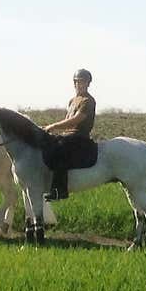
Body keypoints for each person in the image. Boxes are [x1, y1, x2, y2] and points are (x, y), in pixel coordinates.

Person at [39, 69, 99, 197]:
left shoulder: (88, 101)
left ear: (88, 83)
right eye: (77, 82)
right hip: (68, 135)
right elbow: (67, 120)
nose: (79, 84)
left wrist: (53, 126)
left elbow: (76, 120)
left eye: (83, 82)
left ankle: (59, 190)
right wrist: (48, 129)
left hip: (79, 137)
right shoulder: (73, 101)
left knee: (59, 151)